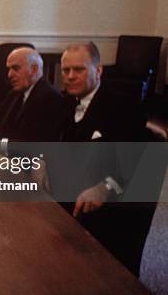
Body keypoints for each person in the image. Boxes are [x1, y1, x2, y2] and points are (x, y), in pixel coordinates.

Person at [56, 41, 153, 276]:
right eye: (65, 71)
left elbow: (139, 163)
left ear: (98, 71)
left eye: (78, 70)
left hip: (107, 210)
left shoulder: (124, 105)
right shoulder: (68, 101)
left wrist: (105, 186)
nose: (69, 77)